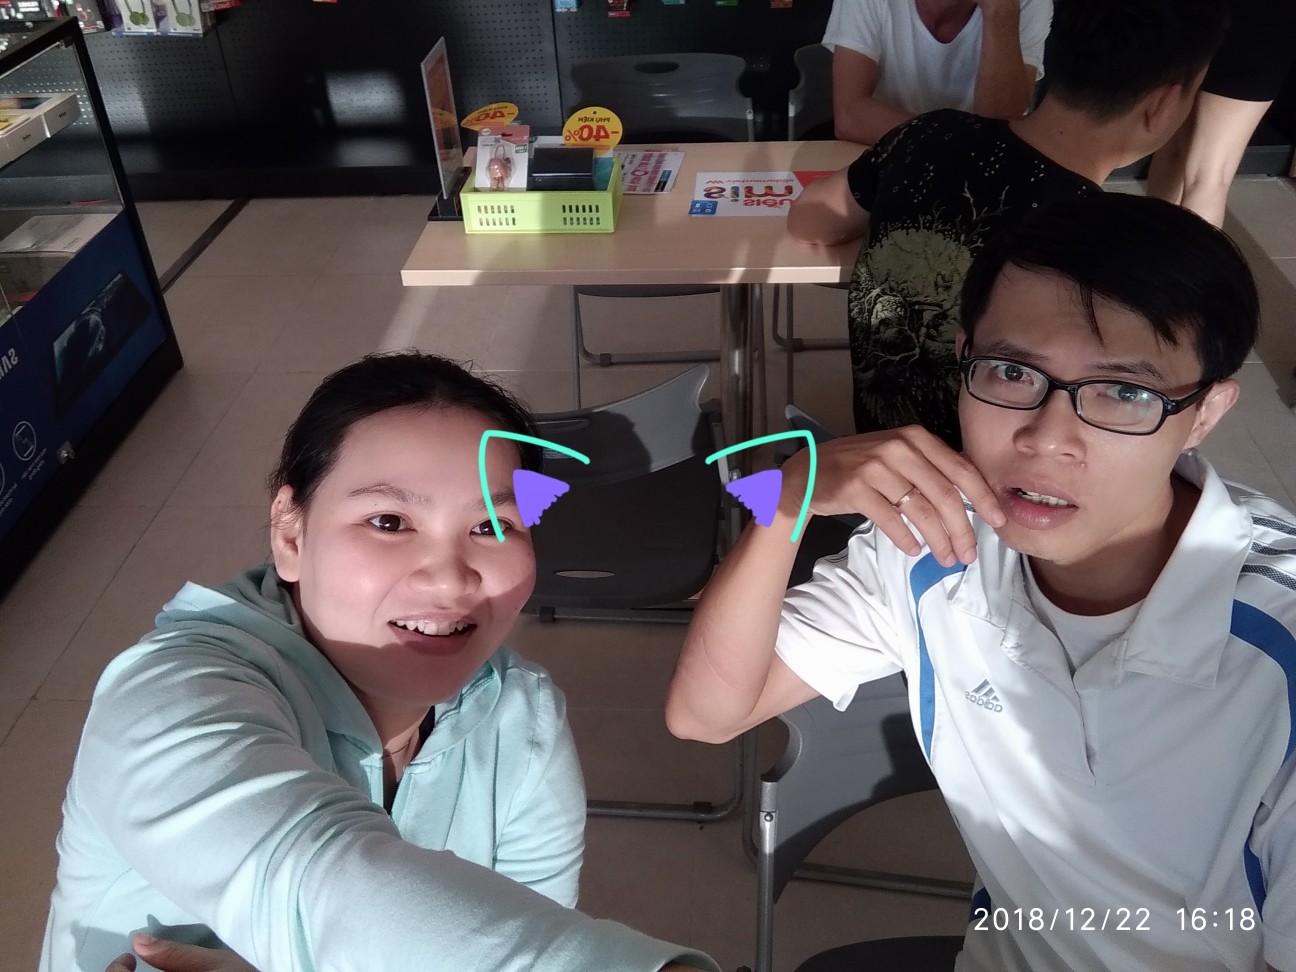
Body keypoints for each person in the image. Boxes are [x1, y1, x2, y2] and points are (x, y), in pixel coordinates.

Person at [666, 191, 1296, 970]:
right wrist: (787, 502)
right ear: (963, 357)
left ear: (1205, 412)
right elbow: (706, 712)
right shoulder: (930, 542)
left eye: (1125, 392)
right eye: (1011, 372)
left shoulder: (1277, 645)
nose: (1046, 439)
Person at [40, 351, 716, 972]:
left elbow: (534, 921)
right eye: (389, 522)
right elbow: (316, 879)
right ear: (290, 532)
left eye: (492, 526)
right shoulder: (169, 697)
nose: (450, 579)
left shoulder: (521, 717)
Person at [789, 0, 1227, 448]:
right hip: (986, 482)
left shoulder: (928, 134)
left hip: (879, 448)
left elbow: (808, 220)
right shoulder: (1109, 253)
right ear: (1163, 104)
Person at [1147, 0, 1296, 228]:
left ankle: (1148, 243)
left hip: (1194, 18)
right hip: (1262, 25)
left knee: (1172, 149)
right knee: (1210, 177)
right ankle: (1184, 251)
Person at [824, 0, 1053, 145]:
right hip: (888, 152)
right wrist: (952, 141)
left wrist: (1000, 11)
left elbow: (1001, 123)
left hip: (978, 171)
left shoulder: (1028, 3)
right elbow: (850, 117)